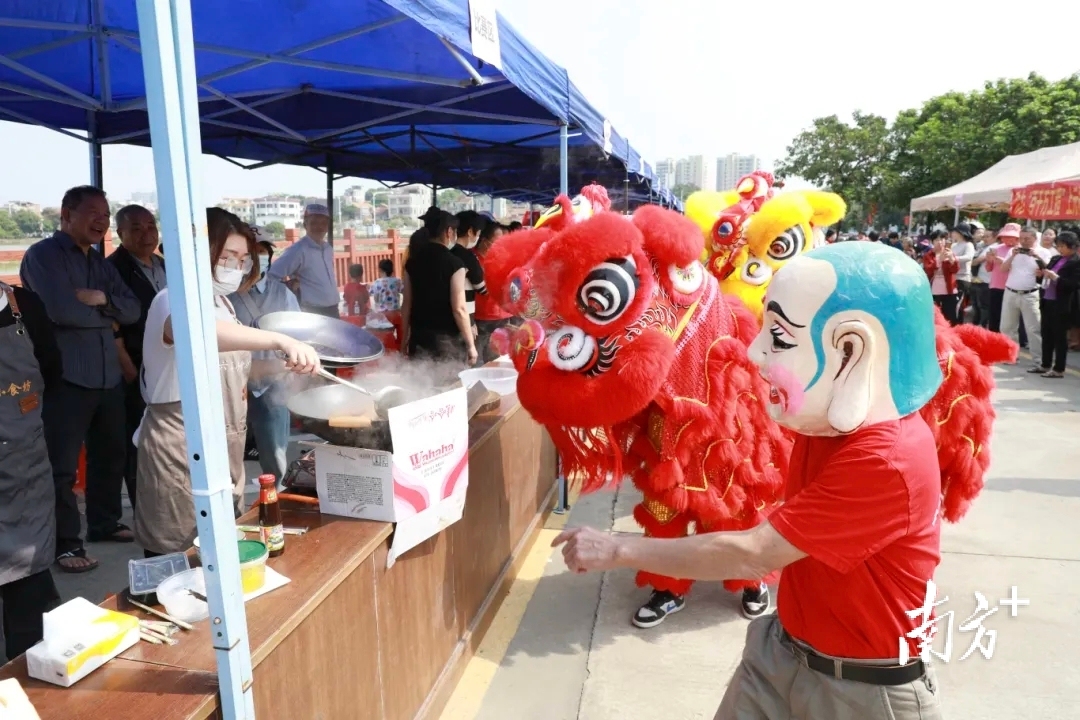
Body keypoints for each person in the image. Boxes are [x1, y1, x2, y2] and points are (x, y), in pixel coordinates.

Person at [554, 242, 948, 720]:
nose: (757, 352)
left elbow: (757, 552)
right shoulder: (824, 422)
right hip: (781, 651)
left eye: (779, 337)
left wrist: (618, 550)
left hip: (860, 689)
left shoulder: (887, 458)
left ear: (849, 350)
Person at [135, 209, 320, 557]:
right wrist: (279, 340)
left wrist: (285, 367)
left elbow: (239, 370)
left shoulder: (223, 305)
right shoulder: (171, 299)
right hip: (179, 447)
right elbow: (199, 332)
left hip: (223, 445)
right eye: (226, 257)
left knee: (221, 550)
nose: (237, 266)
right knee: (180, 554)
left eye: (243, 258)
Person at [20, 185, 142, 573]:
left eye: (105, 214)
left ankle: (104, 523)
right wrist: (109, 316)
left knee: (111, 454)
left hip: (106, 376)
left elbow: (133, 308)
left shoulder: (100, 263)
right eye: (92, 212)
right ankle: (64, 544)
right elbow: (60, 310)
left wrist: (104, 301)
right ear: (66, 214)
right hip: (67, 377)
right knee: (61, 467)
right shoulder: (43, 256)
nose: (101, 221)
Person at [0, 281, 63, 659]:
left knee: (28, 582)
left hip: (23, 464)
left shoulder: (23, 304)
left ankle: (26, 679)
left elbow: (51, 371)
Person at [228, 230, 301, 485]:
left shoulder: (283, 294)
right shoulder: (226, 291)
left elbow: (297, 334)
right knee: (230, 448)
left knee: (275, 449)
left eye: (264, 253)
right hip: (233, 382)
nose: (260, 259)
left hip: (272, 381)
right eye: (253, 253)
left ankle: (277, 499)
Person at [108, 204, 166, 510]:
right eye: (136, 228)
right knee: (139, 441)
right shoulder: (113, 269)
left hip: (169, 367)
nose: (146, 234)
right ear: (120, 233)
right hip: (136, 365)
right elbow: (109, 322)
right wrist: (126, 364)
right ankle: (143, 508)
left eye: (150, 226)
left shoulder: (163, 265)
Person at [401, 210, 477, 366]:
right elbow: (459, 309)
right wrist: (471, 345)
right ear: (449, 232)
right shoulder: (455, 264)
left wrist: (403, 340)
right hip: (447, 342)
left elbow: (406, 304)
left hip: (419, 337)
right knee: (448, 387)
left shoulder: (412, 262)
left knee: (422, 386)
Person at [267, 203, 339, 318]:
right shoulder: (298, 250)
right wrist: (287, 286)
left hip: (333, 309)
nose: (319, 227)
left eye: (323, 223)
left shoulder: (328, 249)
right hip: (312, 311)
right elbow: (271, 275)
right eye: (314, 223)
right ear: (305, 224)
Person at [1034, 230, 1080, 378]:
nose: (1060, 249)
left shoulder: (1076, 262)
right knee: (1046, 334)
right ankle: (1045, 364)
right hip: (1047, 299)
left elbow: (1073, 285)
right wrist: (1040, 276)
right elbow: (1044, 280)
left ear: (1072, 246)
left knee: (1059, 337)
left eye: (1063, 246)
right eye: (1058, 246)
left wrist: (1056, 278)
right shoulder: (1055, 259)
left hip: (1062, 304)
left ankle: (1058, 368)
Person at [1000, 226, 1046, 372]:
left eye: (1028, 239)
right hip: (1010, 292)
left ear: (1034, 238)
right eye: (1022, 238)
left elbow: (1047, 270)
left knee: (1033, 329)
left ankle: (1038, 361)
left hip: (1030, 294)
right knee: (1007, 327)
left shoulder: (1043, 252)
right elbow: (1003, 269)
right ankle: (1011, 356)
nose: (1024, 242)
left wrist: (1036, 257)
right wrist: (1013, 256)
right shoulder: (1014, 251)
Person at [473, 221, 514, 362]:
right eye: (495, 242)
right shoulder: (472, 259)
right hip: (481, 318)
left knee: (497, 360)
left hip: (501, 317)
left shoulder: (501, 258)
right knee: (477, 361)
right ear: (484, 241)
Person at [451, 210, 489, 333]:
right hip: (465, 316)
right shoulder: (468, 256)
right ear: (470, 231)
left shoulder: (447, 252)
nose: (477, 237)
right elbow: (482, 288)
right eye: (477, 233)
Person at [982, 223, 1021, 333]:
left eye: (1011, 237)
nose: (1007, 239)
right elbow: (989, 268)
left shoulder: (1019, 250)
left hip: (1011, 286)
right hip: (996, 285)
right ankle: (994, 337)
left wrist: (1001, 260)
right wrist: (989, 260)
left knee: (1009, 316)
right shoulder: (996, 248)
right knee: (994, 313)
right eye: (1005, 236)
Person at [922, 230, 959, 324]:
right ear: (932, 242)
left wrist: (951, 259)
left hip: (949, 289)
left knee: (950, 316)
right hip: (934, 290)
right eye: (937, 240)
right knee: (935, 316)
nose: (940, 242)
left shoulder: (949, 253)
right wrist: (939, 261)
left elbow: (955, 270)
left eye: (942, 239)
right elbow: (928, 269)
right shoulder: (928, 255)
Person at [949, 222, 976, 321]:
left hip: (963, 278)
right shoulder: (954, 245)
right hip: (952, 277)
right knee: (952, 303)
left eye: (954, 231)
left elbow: (968, 257)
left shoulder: (968, 245)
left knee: (959, 304)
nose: (952, 233)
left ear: (961, 232)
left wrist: (954, 258)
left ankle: (959, 323)